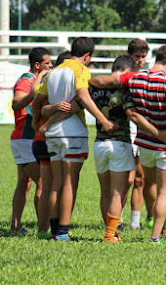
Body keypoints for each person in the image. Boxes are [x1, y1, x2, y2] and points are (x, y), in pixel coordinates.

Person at [89, 45, 166, 244]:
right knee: (164, 193)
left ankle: (135, 222)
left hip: (145, 145)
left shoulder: (134, 77)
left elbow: (103, 81)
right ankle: (155, 236)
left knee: (149, 184)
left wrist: (85, 79)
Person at [32, 37, 117, 241]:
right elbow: (83, 96)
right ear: (87, 56)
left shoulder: (53, 71)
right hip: (73, 133)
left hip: (52, 133)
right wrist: (103, 119)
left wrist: (37, 126)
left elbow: (37, 101)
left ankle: (54, 231)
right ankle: (62, 232)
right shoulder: (80, 70)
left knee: (55, 184)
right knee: (70, 183)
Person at [10, 47, 52, 234]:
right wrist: (33, 94)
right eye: (48, 63)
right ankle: (45, 227)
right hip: (24, 138)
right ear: (37, 65)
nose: (51, 65)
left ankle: (16, 226)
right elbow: (16, 103)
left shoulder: (37, 80)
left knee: (24, 183)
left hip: (24, 139)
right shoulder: (26, 81)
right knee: (42, 183)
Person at [33, 50, 72, 239]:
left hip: (40, 139)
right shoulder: (63, 82)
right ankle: (57, 230)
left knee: (45, 188)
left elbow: (36, 99)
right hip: (51, 140)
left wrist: (34, 123)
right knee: (57, 185)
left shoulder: (49, 80)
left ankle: (42, 230)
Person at [126, 38, 154, 230]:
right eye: (137, 57)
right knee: (126, 179)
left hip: (143, 133)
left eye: (143, 57)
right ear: (130, 56)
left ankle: (140, 220)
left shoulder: (147, 77)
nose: (140, 60)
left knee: (141, 178)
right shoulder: (123, 77)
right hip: (124, 133)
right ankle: (118, 219)